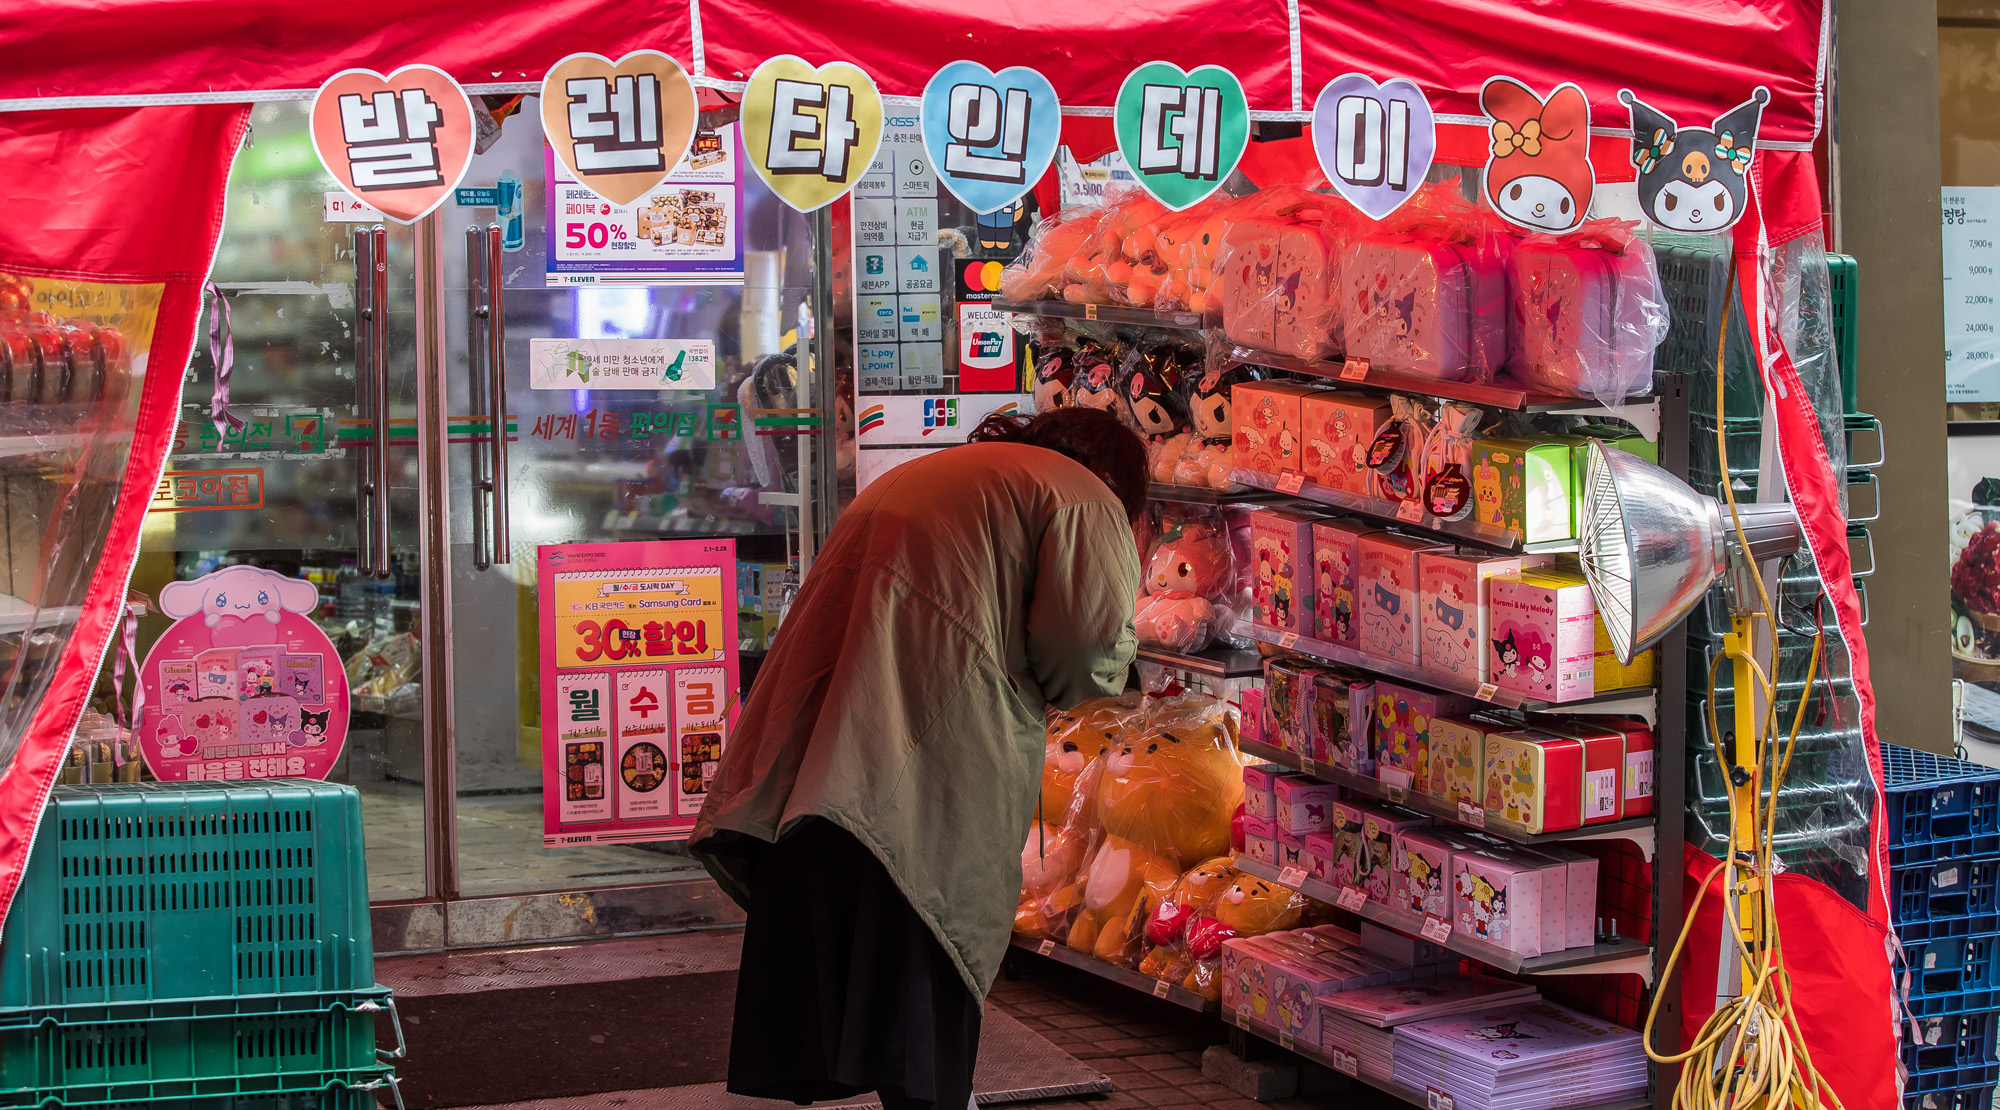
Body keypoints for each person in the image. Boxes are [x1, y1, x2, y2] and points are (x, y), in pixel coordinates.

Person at [691, 406, 1148, 1110]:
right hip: (932, 747)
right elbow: (1083, 653)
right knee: (929, 940)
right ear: (1119, 478)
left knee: (866, 944)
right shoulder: (1083, 494)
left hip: (824, 753)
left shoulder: (940, 474)